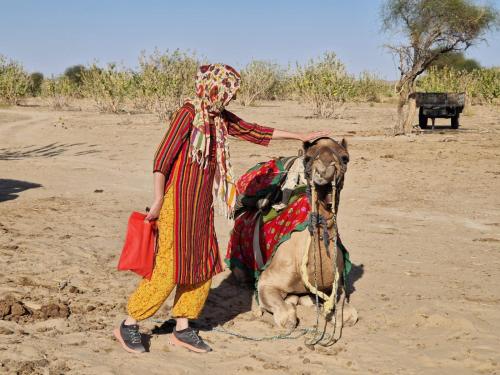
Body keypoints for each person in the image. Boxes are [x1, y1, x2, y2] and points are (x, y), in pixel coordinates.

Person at [114, 64, 327, 354]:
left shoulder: (219, 119)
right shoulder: (189, 114)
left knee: (202, 265)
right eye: (229, 90)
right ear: (216, 87)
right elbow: (162, 159)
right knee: (170, 266)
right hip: (177, 203)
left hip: (201, 206)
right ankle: (130, 323)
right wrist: (158, 199)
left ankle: (183, 328)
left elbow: (254, 131)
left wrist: (300, 135)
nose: (231, 96)